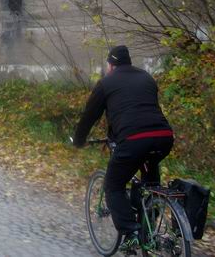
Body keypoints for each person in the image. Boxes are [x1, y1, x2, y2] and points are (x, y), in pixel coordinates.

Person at [73, 45, 174, 252]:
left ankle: (131, 233)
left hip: (133, 140)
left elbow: (89, 116)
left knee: (113, 186)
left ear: (110, 65)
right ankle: (149, 230)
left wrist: (78, 140)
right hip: (164, 137)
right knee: (150, 183)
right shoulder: (146, 77)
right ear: (128, 62)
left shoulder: (106, 83)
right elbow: (140, 108)